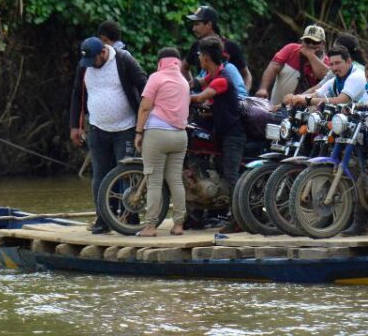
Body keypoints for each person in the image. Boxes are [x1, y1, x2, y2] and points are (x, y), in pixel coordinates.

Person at [69, 36, 147, 234]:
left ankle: (130, 217)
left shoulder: (123, 60)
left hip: (126, 128)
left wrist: (144, 121)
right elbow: (77, 94)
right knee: (100, 175)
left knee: (127, 175)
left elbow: (144, 85)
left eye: (93, 60)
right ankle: (104, 218)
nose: (90, 65)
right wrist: (75, 126)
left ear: (103, 53)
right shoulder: (85, 66)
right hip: (97, 128)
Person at [189, 36, 245, 233]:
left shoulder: (222, 79)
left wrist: (184, 98)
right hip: (219, 132)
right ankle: (197, 214)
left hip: (233, 135)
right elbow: (197, 83)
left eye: (199, 55)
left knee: (231, 175)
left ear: (205, 58)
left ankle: (238, 219)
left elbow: (199, 96)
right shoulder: (213, 75)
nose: (198, 59)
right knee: (218, 169)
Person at [133, 48, 189, 237]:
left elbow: (145, 107)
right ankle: (179, 225)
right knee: (175, 180)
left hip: (157, 134)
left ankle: (150, 227)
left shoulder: (156, 78)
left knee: (154, 182)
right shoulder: (183, 81)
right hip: (180, 136)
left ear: (160, 62)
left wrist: (139, 132)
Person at [255, 25, 331, 105]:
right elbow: (273, 67)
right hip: (275, 107)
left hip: (303, 113)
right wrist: (263, 88)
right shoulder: (291, 49)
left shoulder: (328, 62)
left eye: (315, 42)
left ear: (323, 44)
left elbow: (325, 78)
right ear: (302, 41)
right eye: (307, 41)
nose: (310, 45)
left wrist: (310, 55)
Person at [183, 5, 251, 95]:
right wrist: (194, 88)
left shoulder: (230, 48)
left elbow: (246, 75)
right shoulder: (196, 46)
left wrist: (242, 98)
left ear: (209, 25)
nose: (193, 29)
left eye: (197, 24)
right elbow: (184, 67)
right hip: (204, 103)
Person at [284, 46, 367, 107]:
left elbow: (341, 101)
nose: (334, 68)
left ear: (348, 62)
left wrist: (306, 100)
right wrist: (294, 98)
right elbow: (316, 94)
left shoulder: (357, 76)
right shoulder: (335, 80)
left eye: (338, 63)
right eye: (331, 64)